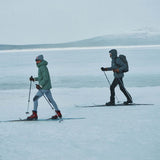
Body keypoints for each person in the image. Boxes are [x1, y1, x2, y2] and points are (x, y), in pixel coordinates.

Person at [27, 55, 62, 120]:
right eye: (36, 60)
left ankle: (34, 114)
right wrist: (34, 79)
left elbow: (46, 78)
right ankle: (58, 113)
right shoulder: (41, 67)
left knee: (35, 99)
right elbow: (41, 78)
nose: (36, 62)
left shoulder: (42, 67)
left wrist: (40, 85)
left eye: (37, 60)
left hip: (44, 88)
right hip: (46, 87)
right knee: (51, 100)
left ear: (41, 60)